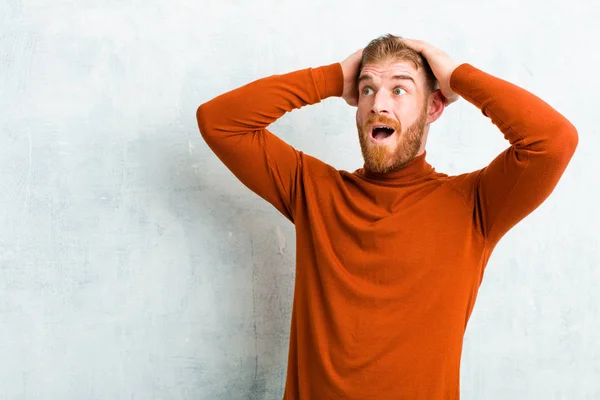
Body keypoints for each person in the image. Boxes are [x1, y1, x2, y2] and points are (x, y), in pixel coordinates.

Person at [196, 34, 578, 400]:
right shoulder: (312, 190)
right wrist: (331, 78)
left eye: (399, 89)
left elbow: (552, 141)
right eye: (367, 90)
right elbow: (220, 122)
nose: (379, 104)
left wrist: (455, 74)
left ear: (433, 107)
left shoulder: (475, 204)